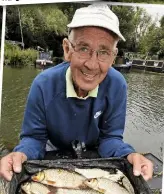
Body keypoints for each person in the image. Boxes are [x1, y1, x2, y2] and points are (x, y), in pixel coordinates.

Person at [0, 4, 153, 182]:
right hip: (53, 149)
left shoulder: (117, 85)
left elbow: (110, 138)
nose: (92, 64)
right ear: (67, 50)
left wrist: (129, 155)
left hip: (95, 152)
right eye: (83, 48)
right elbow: (34, 138)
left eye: (104, 52)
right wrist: (21, 153)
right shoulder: (43, 85)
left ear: (113, 57)